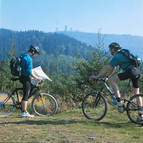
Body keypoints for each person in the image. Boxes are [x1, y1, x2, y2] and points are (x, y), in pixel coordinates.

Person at [89, 42, 143, 121]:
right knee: (137, 94)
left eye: (110, 49)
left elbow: (107, 68)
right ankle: (140, 115)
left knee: (112, 81)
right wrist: (108, 76)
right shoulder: (122, 53)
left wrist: (96, 76)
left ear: (113, 49)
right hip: (137, 71)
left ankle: (119, 102)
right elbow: (113, 67)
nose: (109, 51)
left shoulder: (117, 56)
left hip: (130, 71)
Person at [20, 45, 42, 118]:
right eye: (35, 53)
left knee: (29, 89)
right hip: (26, 77)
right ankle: (24, 112)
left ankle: (23, 106)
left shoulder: (23, 55)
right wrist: (37, 78)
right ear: (33, 52)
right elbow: (29, 72)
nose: (35, 55)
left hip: (21, 76)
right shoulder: (29, 59)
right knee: (26, 95)